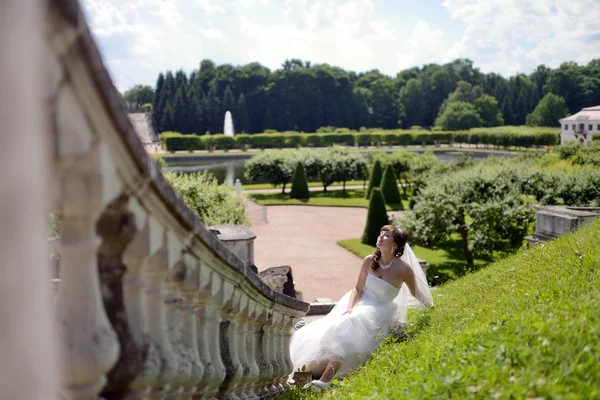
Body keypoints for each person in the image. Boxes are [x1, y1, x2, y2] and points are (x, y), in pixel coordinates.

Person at [290, 225, 434, 390]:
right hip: (357, 302)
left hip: (380, 310)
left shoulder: (403, 269)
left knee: (350, 323)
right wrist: (350, 306)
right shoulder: (369, 260)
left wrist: (431, 306)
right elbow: (357, 288)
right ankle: (320, 373)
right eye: (380, 233)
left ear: (395, 245)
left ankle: (326, 379)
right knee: (333, 327)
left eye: (386, 236)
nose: (380, 236)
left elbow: (416, 292)